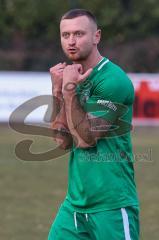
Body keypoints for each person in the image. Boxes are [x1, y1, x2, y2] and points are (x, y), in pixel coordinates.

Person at [48, 9, 140, 240]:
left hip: (111, 205)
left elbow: (87, 139)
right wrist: (57, 91)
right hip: (75, 206)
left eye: (78, 34)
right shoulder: (72, 77)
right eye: (65, 34)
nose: (71, 41)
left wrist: (69, 90)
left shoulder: (113, 80)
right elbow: (61, 141)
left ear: (96, 36)